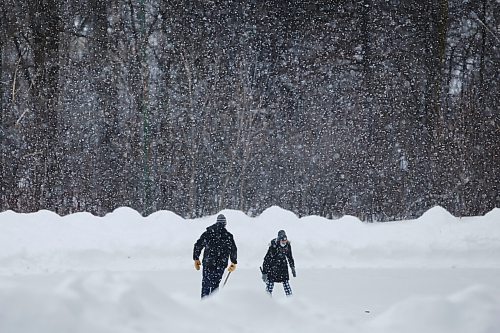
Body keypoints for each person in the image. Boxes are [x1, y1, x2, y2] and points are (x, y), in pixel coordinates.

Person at [193, 214, 237, 298]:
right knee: (215, 285)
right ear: (225, 224)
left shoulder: (208, 233)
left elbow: (198, 245)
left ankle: (203, 303)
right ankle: (213, 305)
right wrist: (233, 262)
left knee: (205, 283)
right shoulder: (228, 236)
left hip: (208, 263)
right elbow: (233, 249)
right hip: (220, 264)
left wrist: (196, 258)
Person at [261, 229, 296, 296]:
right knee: (270, 285)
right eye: (282, 241)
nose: (284, 243)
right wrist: (264, 272)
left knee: (286, 284)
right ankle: (266, 298)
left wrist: (292, 267)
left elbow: (290, 257)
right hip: (273, 267)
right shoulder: (273, 246)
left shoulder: (288, 245)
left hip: (283, 267)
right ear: (279, 240)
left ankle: (290, 298)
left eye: (285, 241)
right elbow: (266, 260)